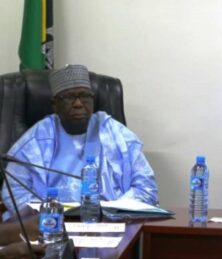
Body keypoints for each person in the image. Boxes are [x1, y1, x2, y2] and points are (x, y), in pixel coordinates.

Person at [1, 65, 158, 218]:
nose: (78, 104)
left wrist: (113, 212)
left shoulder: (117, 134)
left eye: (84, 96)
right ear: (55, 104)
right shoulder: (37, 138)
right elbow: (14, 190)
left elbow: (146, 187)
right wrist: (47, 217)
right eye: (69, 97)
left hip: (109, 223)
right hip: (50, 225)